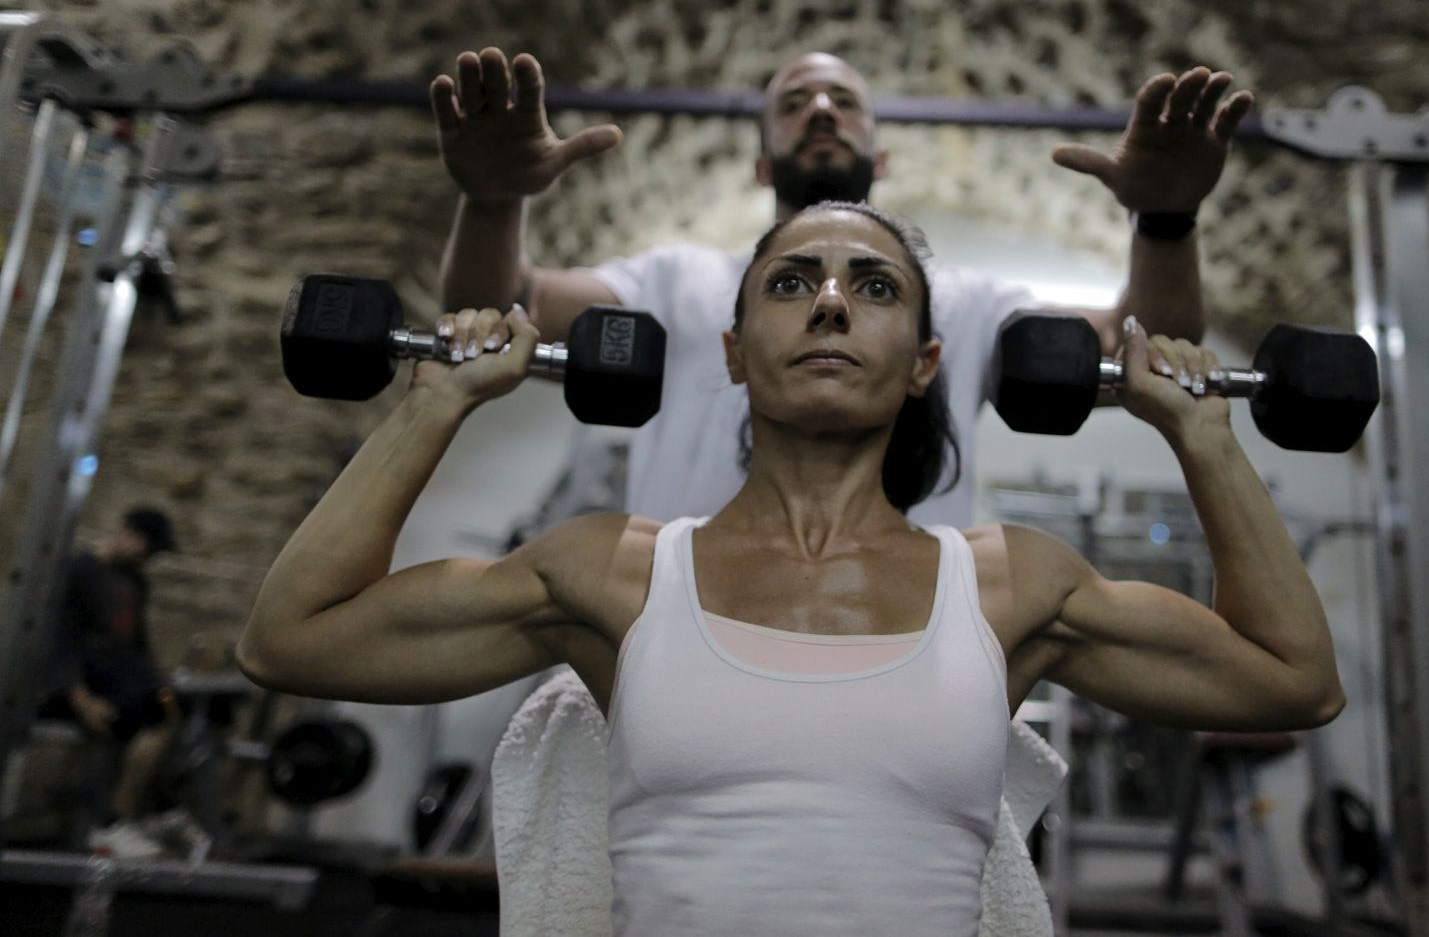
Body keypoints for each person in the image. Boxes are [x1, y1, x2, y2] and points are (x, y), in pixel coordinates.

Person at [238, 203, 1344, 936]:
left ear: (922, 364)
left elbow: (1291, 680)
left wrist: (1204, 439)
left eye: (871, 286)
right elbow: (290, 639)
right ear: (730, 352)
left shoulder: (1010, 586)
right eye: (791, 282)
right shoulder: (614, 572)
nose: (828, 300)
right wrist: (434, 402)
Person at [430, 48, 1251, 525]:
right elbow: (498, 312)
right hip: (687, 632)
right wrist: (493, 201)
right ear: (759, 161)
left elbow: (1148, 357)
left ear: (882, 155)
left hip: (896, 638)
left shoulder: (957, 301)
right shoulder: (678, 280)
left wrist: (1167, 223)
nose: (820, 109)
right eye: (793, 102)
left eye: (843, 101)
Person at [37, 508, 179, 858]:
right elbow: (62, 639)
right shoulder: (81, 571)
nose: (147, 558)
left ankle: (146, 814)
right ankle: (113, 824)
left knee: (169, 715)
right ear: (126, 532)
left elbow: (138, 644)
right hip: (91, 685)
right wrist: (81, 699)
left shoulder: (136, 581)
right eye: (146, 547)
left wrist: (159, 681)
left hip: (125, 682)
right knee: (153, 724)